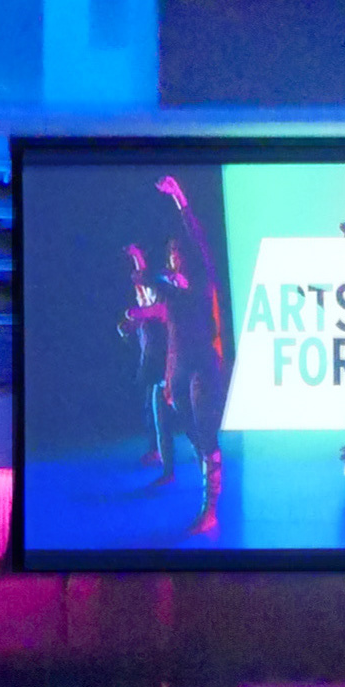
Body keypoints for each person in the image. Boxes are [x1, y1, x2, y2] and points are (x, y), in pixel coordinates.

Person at [147, 175, 229, 537]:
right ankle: (209, 471)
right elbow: (170, 336)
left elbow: (197, 238)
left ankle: (209, 509)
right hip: (180, 366)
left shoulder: (202, 280)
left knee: (206, 431)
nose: (175, 256)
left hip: (203, 364)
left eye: (180, 252)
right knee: (192, 432)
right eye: (172, 253)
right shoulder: (171, 289)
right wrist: (168, 375)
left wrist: (179, 198)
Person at [116, 245, 173, 470]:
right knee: (151, 406)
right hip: (149, 356)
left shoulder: (157, 293)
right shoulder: (143, 293)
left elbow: (152, 309)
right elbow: (140, 297)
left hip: (161, 356)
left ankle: (169, 449)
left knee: (165, 405)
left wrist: (137, 254)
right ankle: (156, 449)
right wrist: (130, 325)